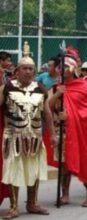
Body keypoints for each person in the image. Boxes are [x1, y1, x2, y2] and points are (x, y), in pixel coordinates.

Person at [0, 55, 57, 219]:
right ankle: (13, 206)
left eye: (30, 68)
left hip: (35, 137)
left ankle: (32, 203)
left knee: (34, 170)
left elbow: (47, 113)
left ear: (35, 71)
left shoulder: (40, 88)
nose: (27, 71)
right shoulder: (7, 87)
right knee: (13, 170)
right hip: (13, 137)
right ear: (17, 71)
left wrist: (52, 134)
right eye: (24, 68)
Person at [46, 52, 87, 207]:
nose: (62, 70)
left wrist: (69, 117)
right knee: (63, 165)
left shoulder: (83, 87)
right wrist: (58, 95)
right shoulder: (56, 88)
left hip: (79, 132)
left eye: (66, 67)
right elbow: (47, 107)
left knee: (83, 161)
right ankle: (65, 194)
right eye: (61, 67)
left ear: (74, 69)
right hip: (62, 131)